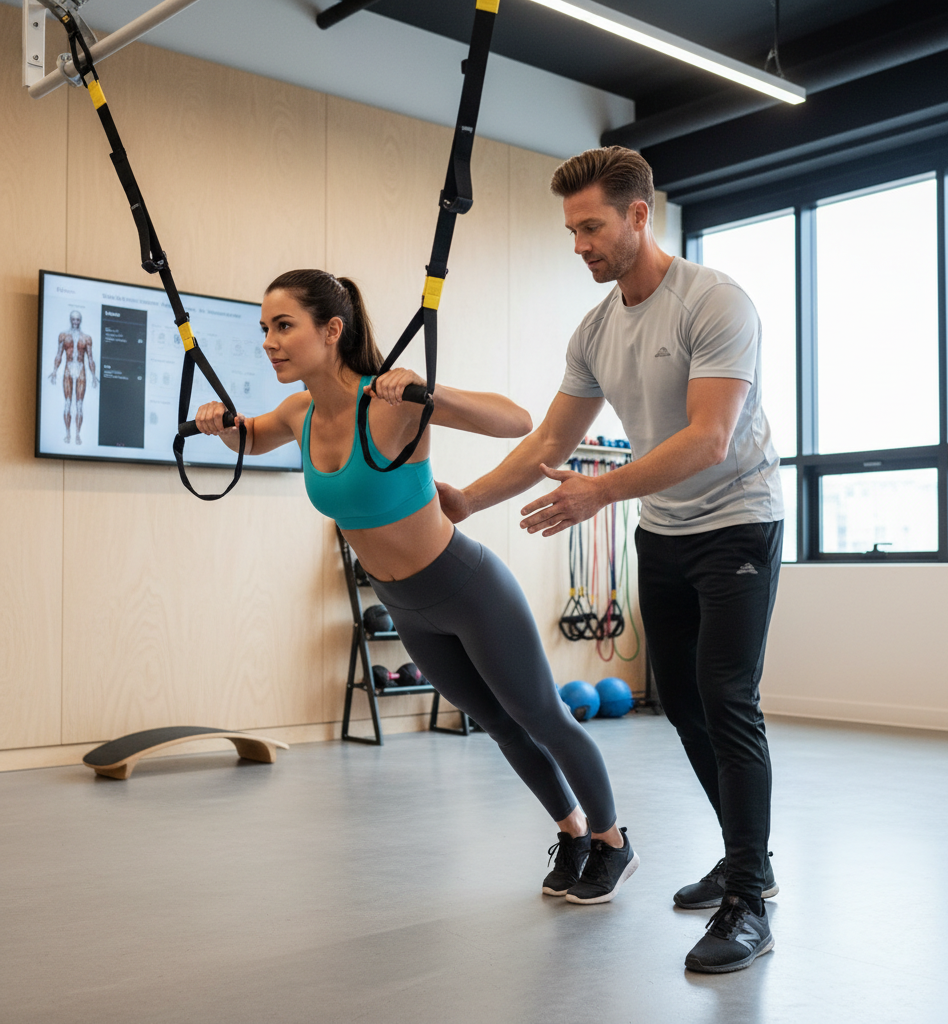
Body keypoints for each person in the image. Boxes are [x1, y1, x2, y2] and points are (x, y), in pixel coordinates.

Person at [436, 147, 784, 974]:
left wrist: (601, 490)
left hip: (738, 524)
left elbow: (709, 438)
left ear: (638, 215)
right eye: (571, 231)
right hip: (662, 532)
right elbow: (550, 443)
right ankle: (749, 860)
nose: (580, 244)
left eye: (591, 227)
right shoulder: (595, 330)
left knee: (727, 699)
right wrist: (468, 502)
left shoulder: (714, 302)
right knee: (686, 707)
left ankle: (747, 901)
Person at [195, 269, 638, 904]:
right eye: (265, 328)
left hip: (468, 587)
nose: (270, 341)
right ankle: (572, 834)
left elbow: (516, 421)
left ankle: (612, 842)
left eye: (284, 326)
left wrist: (429, 391)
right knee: (497, 723)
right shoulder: (299, 412)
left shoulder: (393, 401)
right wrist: (219, 421)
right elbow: (250, 436)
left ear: (332, 329)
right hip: (404, 606)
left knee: (543, 715)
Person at [49, 310, 97, 445]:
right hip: (68, 369)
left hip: (81, 369)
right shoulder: (63, 336)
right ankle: (68, 434)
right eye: (73, 319)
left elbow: (90, 358)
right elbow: (59, 354)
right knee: (67, 403)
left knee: (79, 405)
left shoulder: (86, 338)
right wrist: (54, 371)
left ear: (80, 321)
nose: (75, 322)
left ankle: (77, 435)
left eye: (78, 320)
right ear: (71, 320)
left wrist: (93, 376)